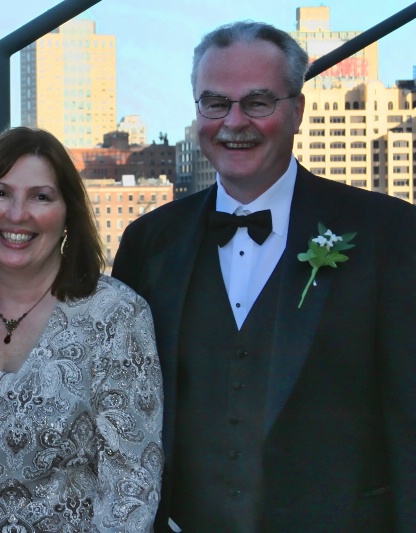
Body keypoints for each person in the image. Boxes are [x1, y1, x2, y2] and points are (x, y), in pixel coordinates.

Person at [112, 21, 416, 532]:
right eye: (214, 103)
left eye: (257, 102)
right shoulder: (149, 241)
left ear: (297, 110)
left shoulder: (390, 233)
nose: (234, 122)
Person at [0, 127, 163, 532]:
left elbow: (131, 488)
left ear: (68, 214)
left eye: (40, 197)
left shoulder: (117, 313)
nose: (17, 214)